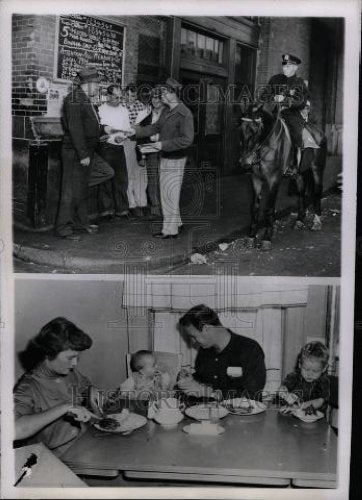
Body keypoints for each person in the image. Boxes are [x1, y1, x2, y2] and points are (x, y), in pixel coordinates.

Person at [14, 317, 102, 457]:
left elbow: (86, 387)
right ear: (48, 354)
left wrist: (93, 392)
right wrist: (65, 407)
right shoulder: (28, 387)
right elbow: (14, 430)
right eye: (69, 358)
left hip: (80, 444)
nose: (74, 363)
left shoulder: (69, 373)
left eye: (77, 357)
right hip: (51, 458)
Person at [55, 67, 114, 240]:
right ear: (88, 83)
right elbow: (76, 130)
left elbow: (90, 126)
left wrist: (104, 129)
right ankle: (63, 228)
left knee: (82, 187)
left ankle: (81, 223)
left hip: (86, 150)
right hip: (75, 152)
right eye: (97, 84)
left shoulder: (85, 99)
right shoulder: (73, 99)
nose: (99, 88)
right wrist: (83, 155)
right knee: (70, 190)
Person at [134, 77, 194, 239]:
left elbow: (187, 139)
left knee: (169, 193)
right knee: (168, 191)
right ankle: (177, 223)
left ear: (173, 94)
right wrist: (134, 132)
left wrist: (162, 145)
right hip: (166, 155)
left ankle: (170, 230)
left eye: (164, 93)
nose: (161, 96)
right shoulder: (167, 111)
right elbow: (155, 127)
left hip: (175, 157)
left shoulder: (184, 113)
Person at [177, 304, 266, 400]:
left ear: (207, 328)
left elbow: (252, 393)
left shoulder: (250, 349)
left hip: (241, 413)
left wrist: (212, 394)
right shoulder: (204, 350)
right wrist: (190, 379)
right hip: (210, 411)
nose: (193, 342)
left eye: (193, 336)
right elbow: (202, 378)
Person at [261, 53, 309, 176]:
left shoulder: (300, 83)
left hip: (292, 116)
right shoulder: (275, 79)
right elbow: (264, 95)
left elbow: (302, 102)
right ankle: (256, 159)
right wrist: (273, 97)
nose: (284, 68)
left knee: (296, 135)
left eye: (288, 66)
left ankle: (294, 166)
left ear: (295, 67)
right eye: (284, 65)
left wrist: (286, 100)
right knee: (260, 130)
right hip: (275, 114)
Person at [97, 84, 134, 220]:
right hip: (105, 148)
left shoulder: (124, 111)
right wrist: (109, 137)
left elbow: (127, 129)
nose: (118, 100)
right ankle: (106, 211)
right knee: (106, 180)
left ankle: (122, 210)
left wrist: (123, 137)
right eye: (116, 97)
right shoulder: (100, 110)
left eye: (120, 97)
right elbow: (98, 130)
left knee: (121, 179)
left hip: (119, 148)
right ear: (108, 96)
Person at [137, 87, 167, 220]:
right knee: (153, 180)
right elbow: (140, 137)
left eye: (159, 97)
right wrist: (141, 156)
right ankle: (155, 209)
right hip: (151, 153)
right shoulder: (146, 118)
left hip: (166, 151)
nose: (156, 100)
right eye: (154, 97)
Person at [277, 341, 330, 414]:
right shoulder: (294, 376)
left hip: (316, 418)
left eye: (315, 371)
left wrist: (298, 407)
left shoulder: (323, 381)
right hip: (293, 415)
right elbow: (284, 387)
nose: (309, 374)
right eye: (306, 369)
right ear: (300, 365)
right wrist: (283, 392)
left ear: (324, 368)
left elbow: (319, 401)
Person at [123, 83, 149, 218]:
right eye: (127, 95)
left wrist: (136, 127)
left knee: (141, 173)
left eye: (132, 95)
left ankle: (142, 203)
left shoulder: (142, 107)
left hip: (140, 142)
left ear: (136, 95)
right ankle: (131, 204)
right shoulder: (121, 107)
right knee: (129, 173)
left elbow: (145, 126)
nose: (129, 98)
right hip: (127, 142)